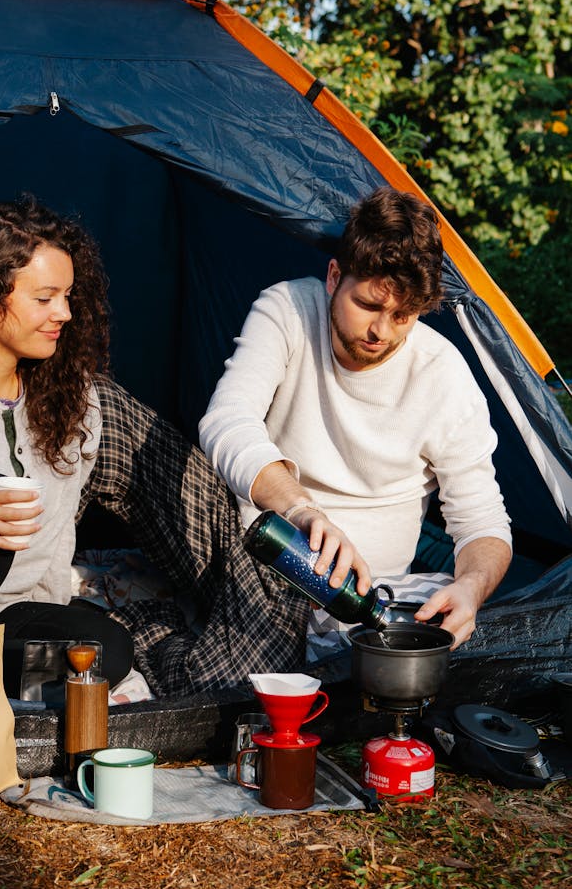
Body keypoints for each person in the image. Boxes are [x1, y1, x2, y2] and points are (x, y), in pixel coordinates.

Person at [0, 197, 308, 698]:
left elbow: (53, 557)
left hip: (2, 630)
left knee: (105, 649)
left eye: (69, 295)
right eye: (45, 298)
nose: (66, 313)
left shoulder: (71, 405)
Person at [199, 187, 513, 648]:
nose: (380, 331)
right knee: (111, 413)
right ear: (333, 276)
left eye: (403, 315)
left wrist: (471, 587)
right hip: (256, 556)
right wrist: (301, 509)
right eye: (368, 305)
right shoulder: (288, 310)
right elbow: (227, 419)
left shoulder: (443, 376)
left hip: (364, 598)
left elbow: (483, 521)